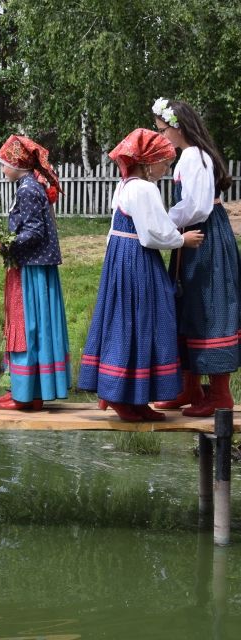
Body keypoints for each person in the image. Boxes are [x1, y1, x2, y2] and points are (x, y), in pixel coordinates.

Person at [77, 129, 204, 421]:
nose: (166, 169)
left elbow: (116, 229)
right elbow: (152, 233)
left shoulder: (125, 185)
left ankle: (131, 397)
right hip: (137, 259)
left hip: (122, 257)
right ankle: (122, 397)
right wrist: (181, 240)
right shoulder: (145, 189)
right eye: (164, 163)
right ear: (148, 162)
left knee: (126, 321)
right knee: (144, 320)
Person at [150, 98, 241, 417]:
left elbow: (198, 206)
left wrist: (164, 221)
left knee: (208, 304)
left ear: (179, 127)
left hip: (204, 238)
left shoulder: (193, 156)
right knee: (188, 304)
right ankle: (189, 387)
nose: (162, 137)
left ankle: (218, 395)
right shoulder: (190, 156)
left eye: (163, 131)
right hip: (195, 237)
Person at [0, 135, 71, 410]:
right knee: (26, 327)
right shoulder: (29, 185)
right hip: (28, 266)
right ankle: (23, 390)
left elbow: (34, 232)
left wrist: (1, 243)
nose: (1, 170)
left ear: (17, 163)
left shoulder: (27, 189)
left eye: (4, 164)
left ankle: (28, 396)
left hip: (32, 272)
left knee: (28, 328)